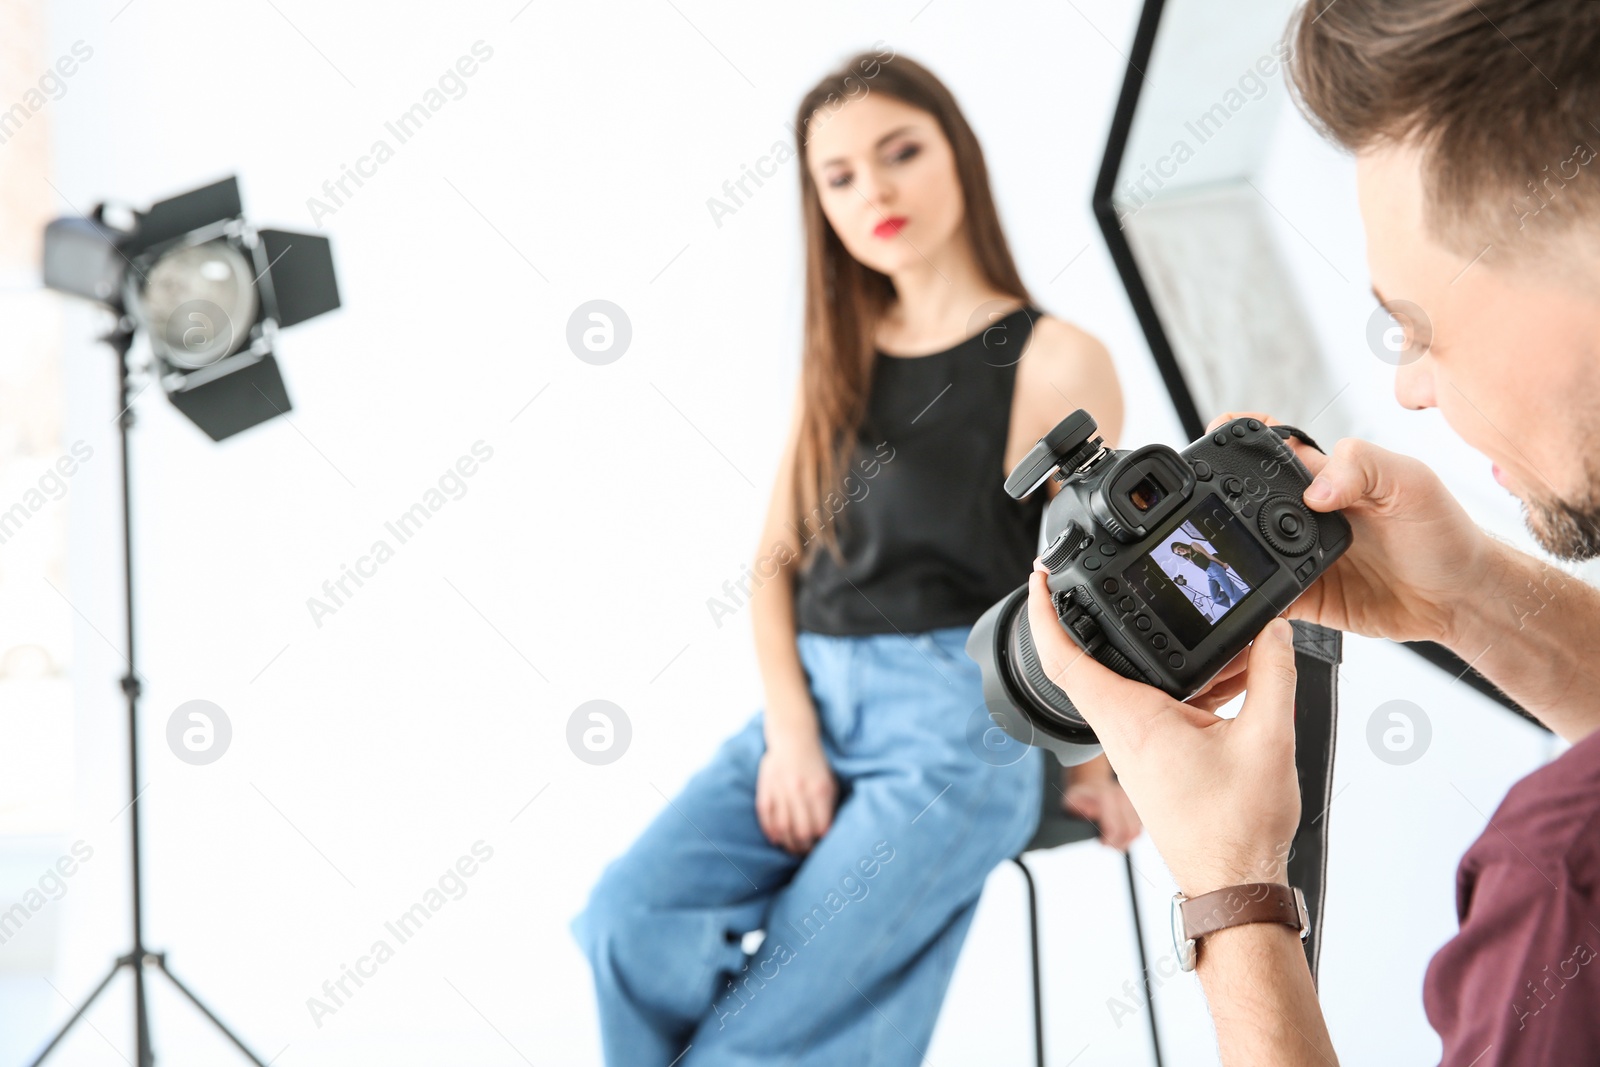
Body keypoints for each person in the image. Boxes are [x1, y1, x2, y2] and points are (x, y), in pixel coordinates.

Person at [1025, 1, 1600, 1063]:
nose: (1411, 387)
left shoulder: (1563, 875)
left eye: (1416, 325)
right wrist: (1461, 593)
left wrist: (1231, 888)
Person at [570, 50, 1133, 1066]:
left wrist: (1096, 761)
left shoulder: (1055, 359)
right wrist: (790, 729)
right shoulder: (840, 350)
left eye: (899, 152)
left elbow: (1090, 594)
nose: (872, 189)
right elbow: (772, 564)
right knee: (625, 920)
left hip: (958, 726)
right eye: (838, 175)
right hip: (811, 702)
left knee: (760, 1036)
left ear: (955, 155)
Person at [1171, 541, 1247, 609]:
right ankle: (1233, 594)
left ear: (1181, 545)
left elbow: (1208, 556)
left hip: (1215, 569)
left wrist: (1222, 564)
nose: (1180, 551)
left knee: (1231, 593)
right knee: (1215, 598)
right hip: (1209, 573)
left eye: (1179, 548)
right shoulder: (1188, 557)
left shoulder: (1193, 545)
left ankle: (1244, 605)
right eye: (1178, 553)